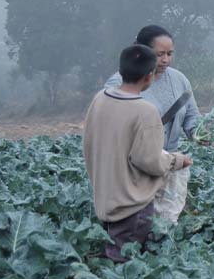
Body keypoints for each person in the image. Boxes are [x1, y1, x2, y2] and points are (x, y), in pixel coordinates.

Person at [82, 44, 192, 262]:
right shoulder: (145, 111)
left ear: (121, 71)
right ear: (149, 76)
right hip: (132, 206)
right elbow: (149, 160)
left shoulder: (100, 99)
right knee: (124, 265)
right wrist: (177, 160)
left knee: (112, 253)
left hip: (106, 196)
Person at [105, 25, 200, 224]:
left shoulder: (179, 80)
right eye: (159, 54)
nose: (165, 60)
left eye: (169, 54)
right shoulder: (119, 84)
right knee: (135, 224)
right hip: (134, 169)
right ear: (142, 51)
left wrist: (197, 133)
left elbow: (191, 115)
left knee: (166, 223)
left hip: (167, 164)